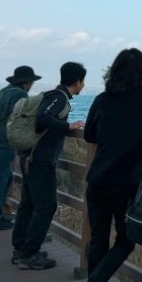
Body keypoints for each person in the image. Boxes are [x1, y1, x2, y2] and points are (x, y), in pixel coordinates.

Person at [70, 49, 142, 282]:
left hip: (98, 179)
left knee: (99, 237)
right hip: (128, 183)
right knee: (126, 240)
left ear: (113, 73)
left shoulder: (101, 100)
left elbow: (89, 135)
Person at [11, 61, 86, 270]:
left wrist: (64, 128)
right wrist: (68, 126)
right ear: (78, 81)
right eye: (83, 82)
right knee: (46, 206)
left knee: (29, 203)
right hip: (40, 160)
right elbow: (43, 118)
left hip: (31, 156)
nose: (83, 86)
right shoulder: (59, 98)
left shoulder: (54, 95)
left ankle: (20, 249)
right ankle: (29, 254)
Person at [0, 66, 42, 232]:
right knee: (0, 180)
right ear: (27, 83)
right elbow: (22, 119)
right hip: (3, 143)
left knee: (5, 178)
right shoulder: (19, 95)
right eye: (31, 82)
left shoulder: (6, 92)